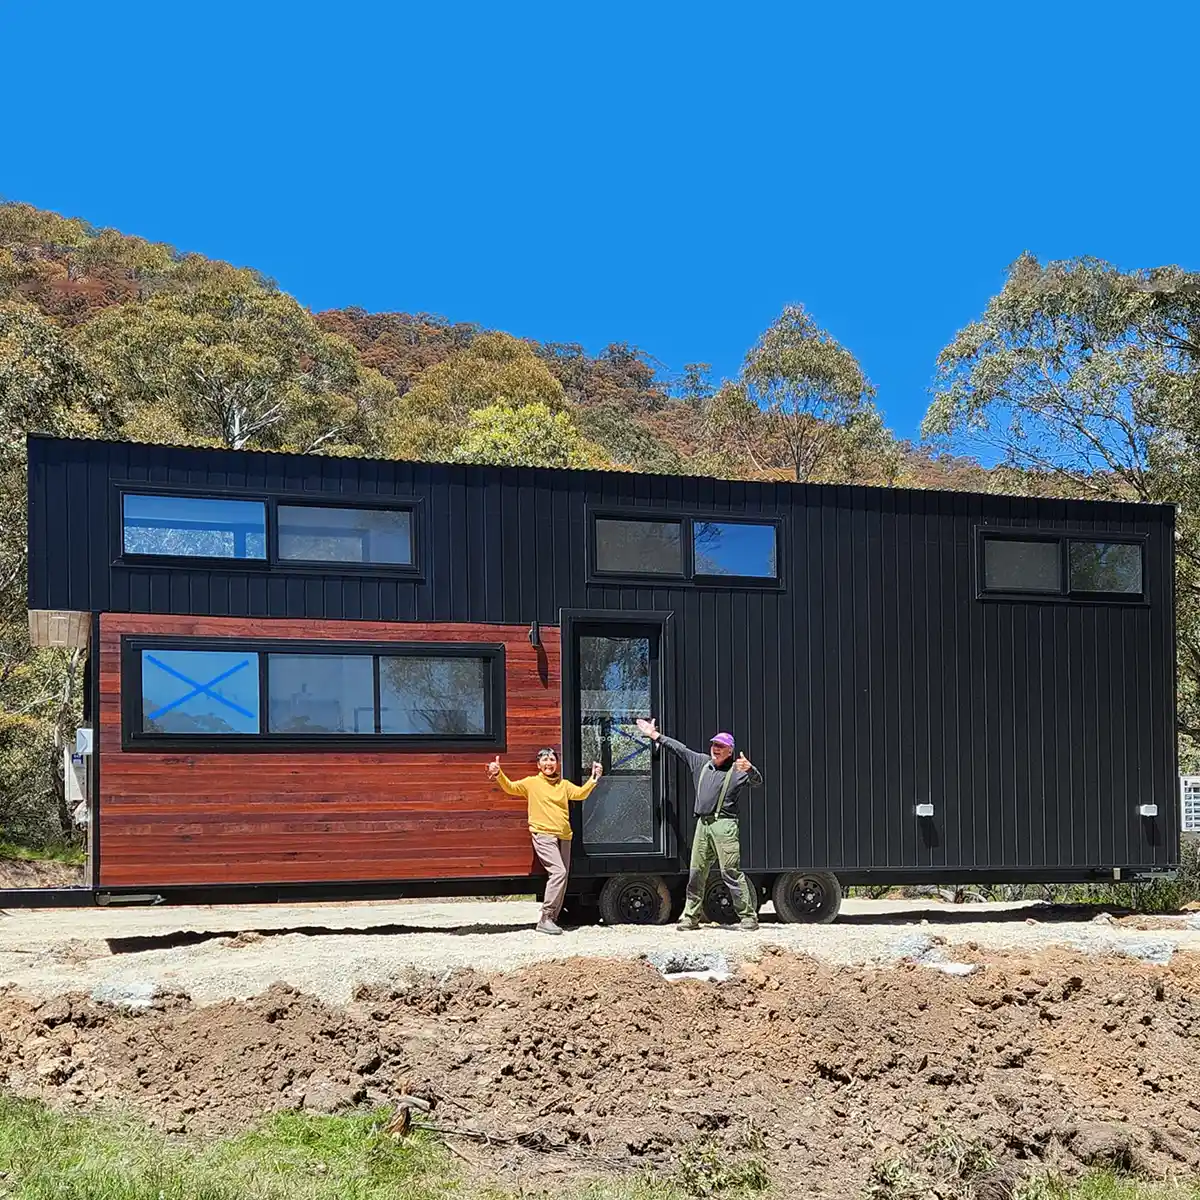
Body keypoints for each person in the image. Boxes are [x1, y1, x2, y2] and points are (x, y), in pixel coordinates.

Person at [635, 718, 762, 931]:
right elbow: (679, 749)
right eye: (714, 745)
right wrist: (655, 735)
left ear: (730, 751)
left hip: (725, 825)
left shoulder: (738, 770)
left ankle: (748, 917)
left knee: (730, 872)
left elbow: (758, 782)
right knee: (696, 872)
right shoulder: (701, 762)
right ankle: (691, 917)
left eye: (721, 746)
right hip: (703, 825)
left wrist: (750, 769)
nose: (716, 749)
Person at [487, 748, 602, 935]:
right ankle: (546, 918)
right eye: (545, 760)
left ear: (557, 763)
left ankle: (553, 919)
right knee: (559, 872)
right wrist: (498, 773)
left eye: (552, 759)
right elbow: (511, 787)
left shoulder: (563, 785)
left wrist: (594, 778)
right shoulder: (532, 783)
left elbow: (580, 794)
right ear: (538, 765)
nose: (549, 763)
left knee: (562, 878)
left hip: (564, 836)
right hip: (543, 834)